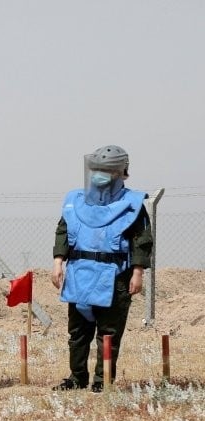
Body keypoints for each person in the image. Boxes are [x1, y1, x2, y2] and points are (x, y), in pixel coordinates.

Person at [51, 145, 153, 392]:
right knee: (78, 332)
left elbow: (141, 239)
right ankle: (77, 378)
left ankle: (102, 381)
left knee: (108, 333)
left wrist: (138, 272)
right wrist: (58, 262)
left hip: (115, 275)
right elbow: (63, 231)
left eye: (106, 170)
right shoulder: (75, 201)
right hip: (79, 272)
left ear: (121, 173)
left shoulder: (132, 203)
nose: (99, 174)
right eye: (96, 169)